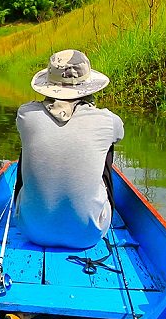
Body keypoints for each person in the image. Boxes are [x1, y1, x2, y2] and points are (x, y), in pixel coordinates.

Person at [15, 49, 124, 249]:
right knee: (107, 144)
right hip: (88, 235)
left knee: (29, 140)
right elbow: (119, 134)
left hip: (31, 231)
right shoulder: (108, 120)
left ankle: (39, 212)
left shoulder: (25, 115)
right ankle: (92, 212)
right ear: (88, 87)